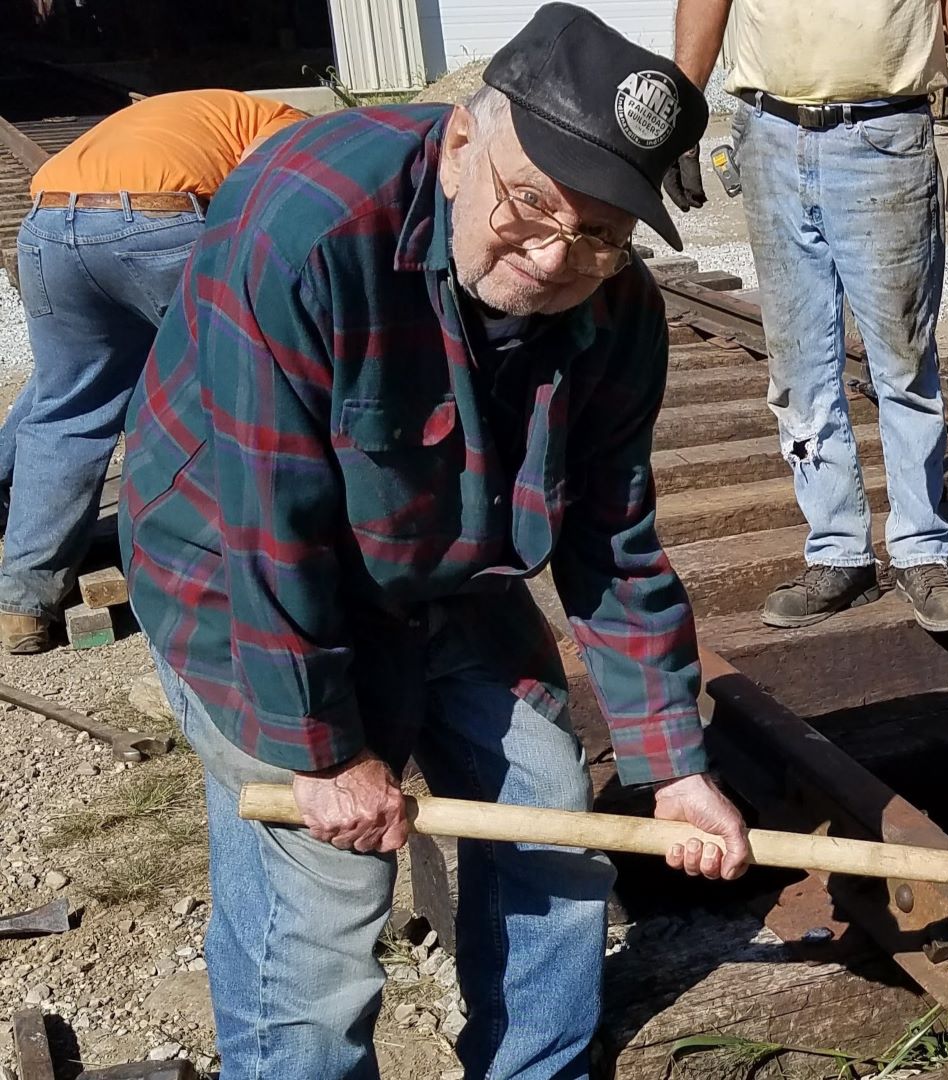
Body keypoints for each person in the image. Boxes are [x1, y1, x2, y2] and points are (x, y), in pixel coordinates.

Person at [120, 7, 751, 1076]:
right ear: (463, 145)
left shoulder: (616, 306)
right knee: (323, 906)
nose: (557, 255)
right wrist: (324, 753)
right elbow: (269, 521)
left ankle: (534, 1066)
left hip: (440, 562)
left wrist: (675, 769)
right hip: (236, 570)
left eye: (600, 233)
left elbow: (615, 539)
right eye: (535, 204)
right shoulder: (308, 227)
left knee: (552, 810)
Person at [671, 0, 948, 633]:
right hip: (768, 135)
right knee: (799, 365)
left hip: (884, 135)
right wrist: (681, 113)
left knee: (903, 361)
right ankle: (839, 552)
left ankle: (920, 550)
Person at [0, 89, 307, 654]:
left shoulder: (182, 113)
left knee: (67, 402)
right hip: (157, 224)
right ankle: (224, 561)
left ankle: (23, 603)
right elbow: (273, 208)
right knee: (217, 389)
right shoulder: (289, 124)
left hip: (47, 223)